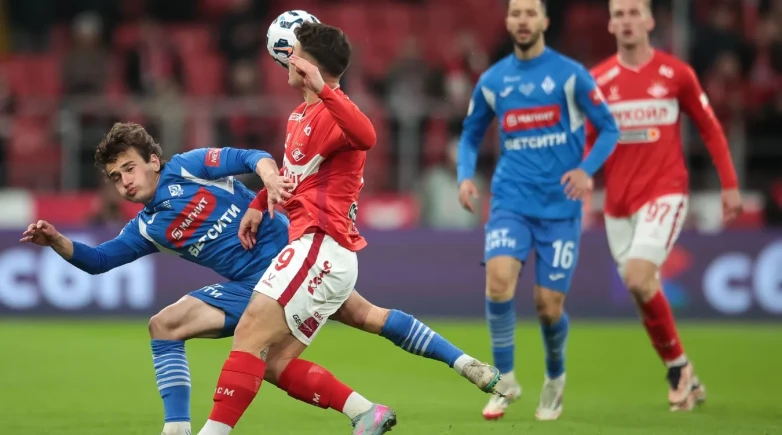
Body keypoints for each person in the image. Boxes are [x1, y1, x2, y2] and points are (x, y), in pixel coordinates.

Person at [20, 122, 500, 435]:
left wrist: (269, 179)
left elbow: (251, 156)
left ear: (153, 161)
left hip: (291, 260)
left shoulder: (188, 168)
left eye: (129, 168)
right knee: (358, 320)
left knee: (168, 326)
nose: (125, 181)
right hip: (278, 276)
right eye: (115, 176)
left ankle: (179, 429)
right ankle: (412, 391)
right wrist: (58, 240)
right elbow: (98, 261)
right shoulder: (146, 228)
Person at [194, 22, 495, 435]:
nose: (287, 59)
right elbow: (293, 176)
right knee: (275, 362)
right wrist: (259, 204)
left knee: (249, 333)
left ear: (309, 66)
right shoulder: (300, 115)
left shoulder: (336, 112)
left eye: (295, 53)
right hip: (320, 250)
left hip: (320, 245)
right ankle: (366, 412)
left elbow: (367, 134)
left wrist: (324, 88)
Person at [456, 0, 620, 421]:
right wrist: (465, 176)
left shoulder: (571, 75)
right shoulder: (493, 81)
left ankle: (555, 378)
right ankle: (505, 381)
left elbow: (609, 128)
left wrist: (585, 170)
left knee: (548, 307)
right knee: (497, 283)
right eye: (516, 13)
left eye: (531, 13)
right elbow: (471, 134)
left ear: (545, 21)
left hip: (560, 207)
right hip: (510, 200)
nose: (523, 20)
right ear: (508, 22)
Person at [586, 0, 742, 411]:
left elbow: (710, 128)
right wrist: (582, 181)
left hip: (664, 191)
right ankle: (683, 369)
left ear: (650, 20)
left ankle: (677, 374)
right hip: (618, 204)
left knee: (640, 277)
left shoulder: (676, 74)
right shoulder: (597, 80)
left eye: (634, 12)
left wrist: (729, 184)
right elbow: (588, 140)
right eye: (619, 14)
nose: (627, 21)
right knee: (642, 289)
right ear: (610, 24)